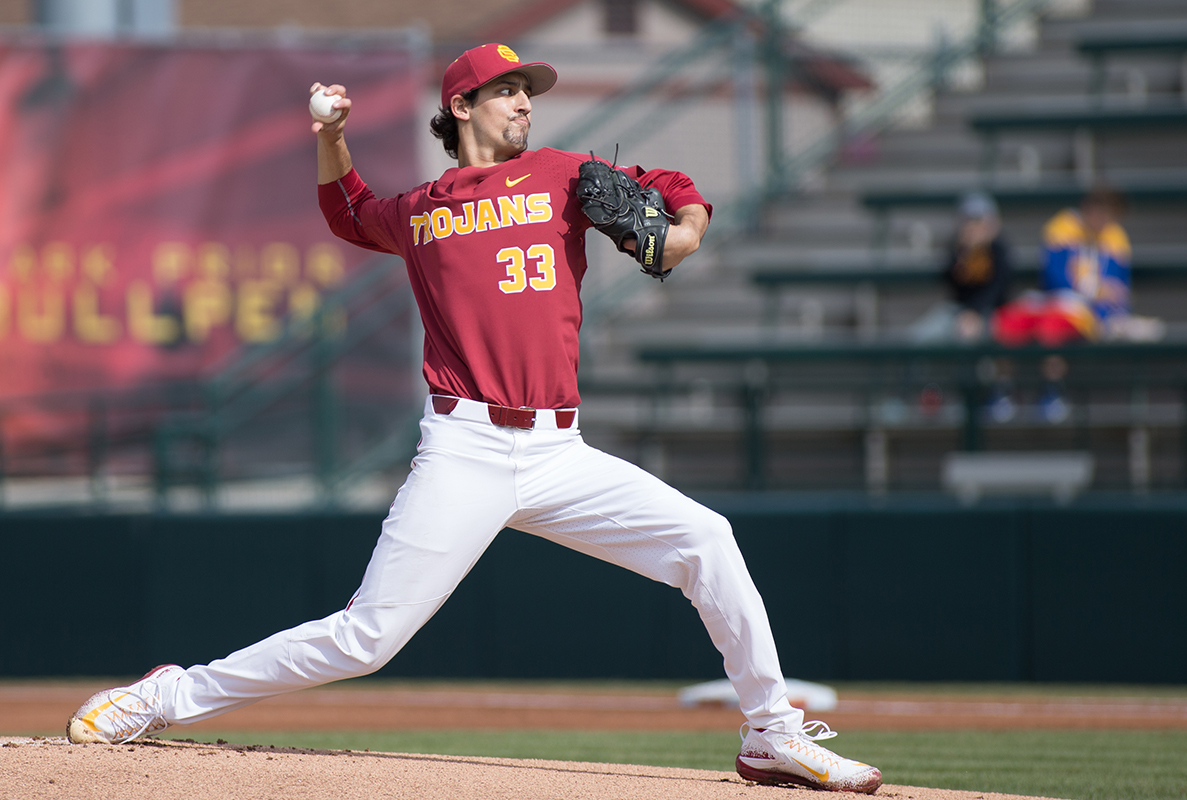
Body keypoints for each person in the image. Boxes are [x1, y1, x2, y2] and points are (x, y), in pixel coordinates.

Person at [65, 44, 882, 794]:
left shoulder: (567, 173)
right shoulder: (423, 209)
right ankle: (167, 695)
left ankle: (769, 733)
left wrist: (686, 231)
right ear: (462, 106)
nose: (524, 102)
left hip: (562, 451)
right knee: (366, 640)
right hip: (466, 447)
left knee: (708, 539)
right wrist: (333, 136)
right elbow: (349, 213)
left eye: (528, 90)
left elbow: (668, 190)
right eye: (507, 90)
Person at [991, 188, 1131, 422]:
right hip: (1056, 300)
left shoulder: (1116, 239)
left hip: (1086, 314)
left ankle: (1052, 391)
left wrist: (1104, 310)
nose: (1103, 220)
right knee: (1009, 320)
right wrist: (1096, 291)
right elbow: (1055, 279)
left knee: (1052, 327)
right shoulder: (1061, 229)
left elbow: (1118, 292)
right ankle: (1003, 390)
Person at [910, 192, 1012, 344]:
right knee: (917, 336)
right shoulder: (958, 249)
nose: (973, 227)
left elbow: (998, 288)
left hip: (992, 312)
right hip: (958, 311)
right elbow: (953, 285)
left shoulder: (998, 250)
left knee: (973, 334)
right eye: (969, 221)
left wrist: (974, 312)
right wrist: (964, 255)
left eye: (978, 220)